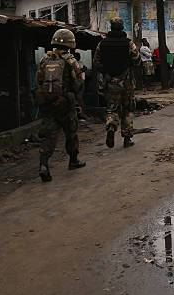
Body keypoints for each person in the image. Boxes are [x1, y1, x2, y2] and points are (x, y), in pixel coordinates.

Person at [35, 28, 86, 182]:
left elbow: (39, 80)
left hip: (48, 104)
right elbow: (78, 83)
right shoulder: (71, 61)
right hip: (65, 103)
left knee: (49, 135)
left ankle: (43, 165)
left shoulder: (45, 60)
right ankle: (73, 160)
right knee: (71, 133)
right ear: (71, 43)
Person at [93, 16, 141, 149]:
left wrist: (107, 72)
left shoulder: (102, 44)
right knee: (127, 110)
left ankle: (111, 127)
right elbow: (137, 61)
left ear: (111, 27)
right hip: (126, 83)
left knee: (112, 109)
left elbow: (96, 63)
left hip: (110, 83)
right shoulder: (129, 43)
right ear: (122, 27)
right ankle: (127, 138)